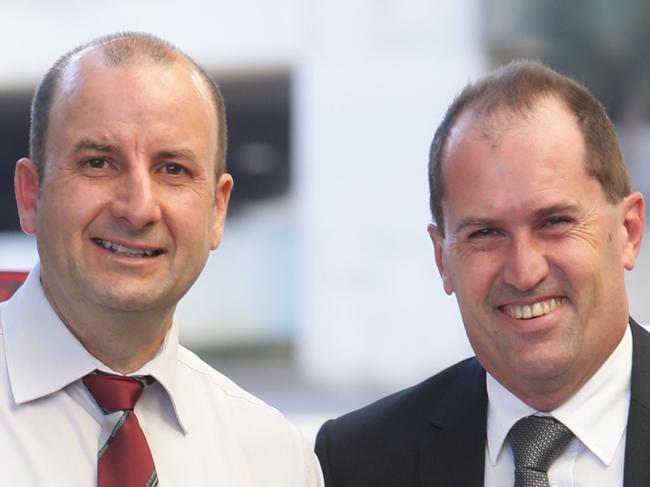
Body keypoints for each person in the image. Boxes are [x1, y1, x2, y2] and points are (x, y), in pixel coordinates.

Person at [1, 32, 323, 486]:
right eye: (99, 162)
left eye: (173, 169)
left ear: (217, 209)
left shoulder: (274, 459)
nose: (138, 209)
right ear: (31, 195)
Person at [315, 60, 650, 486]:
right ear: (443, 260)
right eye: (486, 233)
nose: (524, 271)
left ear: (628, 231)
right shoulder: (356, 462)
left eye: (554, 222)